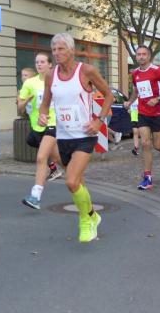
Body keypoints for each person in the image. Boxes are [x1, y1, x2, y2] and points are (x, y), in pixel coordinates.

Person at [38, 32, 113, 243]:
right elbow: (45, 102)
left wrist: (98, 121)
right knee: (78, 181)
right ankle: (93, 215)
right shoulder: (50, 75)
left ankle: (85, 221)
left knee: (71, 181)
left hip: (84, 135)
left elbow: (109, 95)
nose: (56, 53)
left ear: (71, 50)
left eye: (61, 49)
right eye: (54, 50)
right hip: (63, 137)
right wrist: (43, 115)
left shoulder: (86, 71)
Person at [123, 45, 160, 190]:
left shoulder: (157, 71)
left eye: (143, 54)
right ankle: (148, 177)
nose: (140, 57)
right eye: (138, 54)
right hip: (143, 112)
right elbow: (136, 91)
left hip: (157, 112)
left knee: (157, 145)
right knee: (145, 143)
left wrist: (158, 98)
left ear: (149, 56)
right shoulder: (135, 73)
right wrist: (130, 102)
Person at [20, 52, 63, 209]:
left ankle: (35, 195)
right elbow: (20, 107)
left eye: (42, 62)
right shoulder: (29, 83)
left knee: (41, 157)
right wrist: (26, 101)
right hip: (37, 125)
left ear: (50, 64)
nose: (39, 64)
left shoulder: (58, 81)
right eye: (37, 62)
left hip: (54, 123)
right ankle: (76, 176)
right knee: (58, 159)